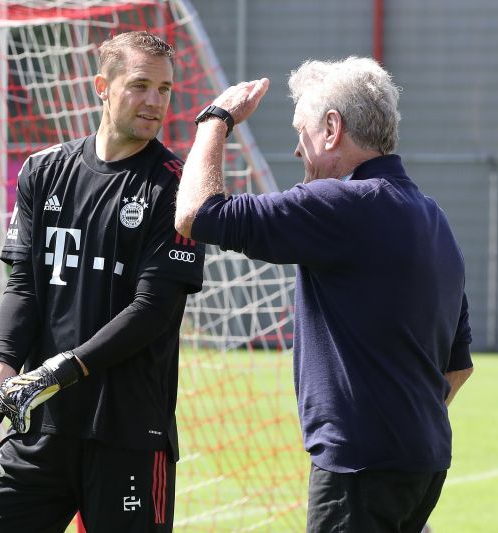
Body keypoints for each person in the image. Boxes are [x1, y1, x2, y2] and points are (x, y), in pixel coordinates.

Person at [174, 57, 473, 532]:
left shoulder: (341, 203)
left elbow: (195, 214)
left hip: (359, 468)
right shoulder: (433, 218)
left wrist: (216, 118)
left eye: (302, 131)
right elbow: (459, 367)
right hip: (425, 462)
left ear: (332, 128)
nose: (298, 150)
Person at [0, 31, 204, 533]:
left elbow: (153, 309)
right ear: (101, 87)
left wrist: (56, 371)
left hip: (127, 433)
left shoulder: (175, 185)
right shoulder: (44, 170)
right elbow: (24, 286)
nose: (155, 102)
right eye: (140, 85)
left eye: (165, 89)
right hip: (40, 425)